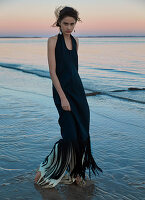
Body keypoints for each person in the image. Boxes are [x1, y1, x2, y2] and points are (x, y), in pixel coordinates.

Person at [34, 6, 103, 188]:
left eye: (72, 24)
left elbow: (74, 70)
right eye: (65, 23)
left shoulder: (76, 41)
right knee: (69, 136)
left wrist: (77, 94)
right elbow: (53, 72)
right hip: (62, 93)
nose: (69, 27)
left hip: (78, 93)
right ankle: (46, 166)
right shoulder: (52, 41)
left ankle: (76, 173)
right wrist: (63, 98)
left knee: (82, 135)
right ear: (59, 22)